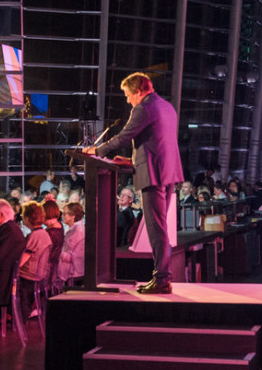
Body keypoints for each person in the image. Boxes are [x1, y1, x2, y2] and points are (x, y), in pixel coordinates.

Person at [85, 72, 184, 294]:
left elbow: (123, 136)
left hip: (154, 175)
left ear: (138, 91)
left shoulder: (144, 107)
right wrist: (131, 160)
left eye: (129, 95)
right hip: (168, 172)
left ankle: (161, 279)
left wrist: (96, 150)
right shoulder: (167, 107)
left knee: (156, 228)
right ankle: (163, 276)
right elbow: (158, 142)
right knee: (160, 228)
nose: (128, 100)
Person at [17, 201, 51, 318]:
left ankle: (19, 315)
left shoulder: (34, 236)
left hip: (29, 275)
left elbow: (23, 259)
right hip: (40, 273)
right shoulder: (45, 234)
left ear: (27, 218)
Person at [57, 202, 85, 286]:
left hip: (73, 273)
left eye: (64, 214)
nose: (62, 216)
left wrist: (56, 252)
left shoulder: (77, 231)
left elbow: (72, 256)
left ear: (73, 216)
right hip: (72, 271)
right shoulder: (75, 229)